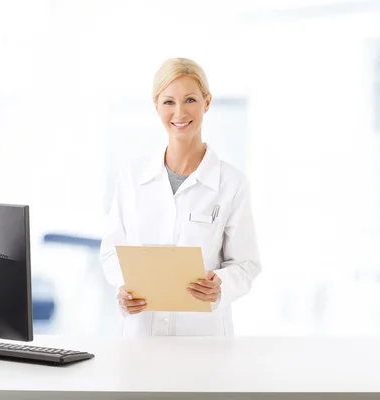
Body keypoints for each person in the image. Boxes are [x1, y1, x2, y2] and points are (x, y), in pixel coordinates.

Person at [99, 57, 261, 337]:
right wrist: (124, 287)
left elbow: (246, 265)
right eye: (169, 102)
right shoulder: (132, 177)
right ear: (156, 106)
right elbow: (112, 251)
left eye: (190, 100)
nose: (179, 113)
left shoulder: (232, 184)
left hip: (203, 340)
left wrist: (220, 284)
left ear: (207, 102)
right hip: (141, 337)